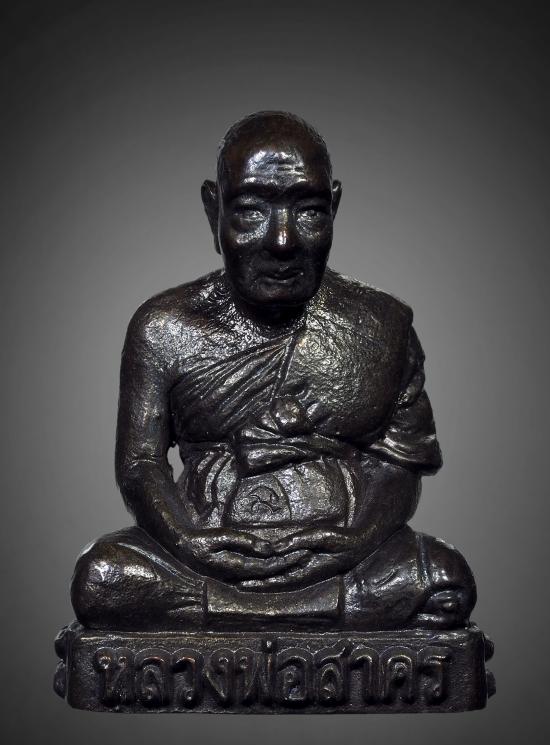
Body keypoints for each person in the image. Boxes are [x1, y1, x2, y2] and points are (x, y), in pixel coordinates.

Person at [71, 111, 476, 631]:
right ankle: (323, 612)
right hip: (207, 555)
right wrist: (189, 541)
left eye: (308, 212)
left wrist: (358, 539)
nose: (282, 241)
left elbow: (401, 461)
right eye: (250, 212)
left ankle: (237, 614)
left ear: (334, 208)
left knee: (444, 577)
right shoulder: (165, 328)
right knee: (103, 576)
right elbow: (140, 464)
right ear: (213, 210)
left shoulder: (380, 326)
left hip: (341, 555)